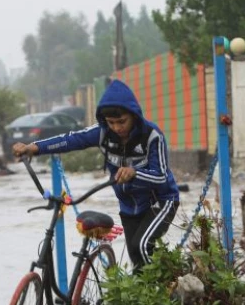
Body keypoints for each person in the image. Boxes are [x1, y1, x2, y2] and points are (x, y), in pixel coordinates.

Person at [13, 79, 180, 272]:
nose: (117, 128)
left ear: (133, 115)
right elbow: (71, 140)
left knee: (142, 246)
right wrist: (34, 148)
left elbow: (161, 177)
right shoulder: (102, 133)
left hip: (160, 201)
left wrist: (134, 173)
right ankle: (150, 294)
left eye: (122, 121)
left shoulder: (152, 136)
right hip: (128, 205)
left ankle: (159, 293)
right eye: (111, 123)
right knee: (136, 257)